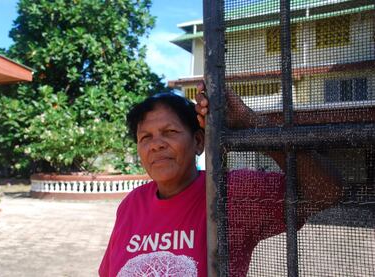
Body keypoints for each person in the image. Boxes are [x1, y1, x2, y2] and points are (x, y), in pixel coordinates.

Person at [99, 86, 341, 277]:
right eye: (145, 137)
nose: (156, 144)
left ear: (198, 142)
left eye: (170, 132)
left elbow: (326, 191)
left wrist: (248, 122)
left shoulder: (229, 194)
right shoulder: (132, 204)